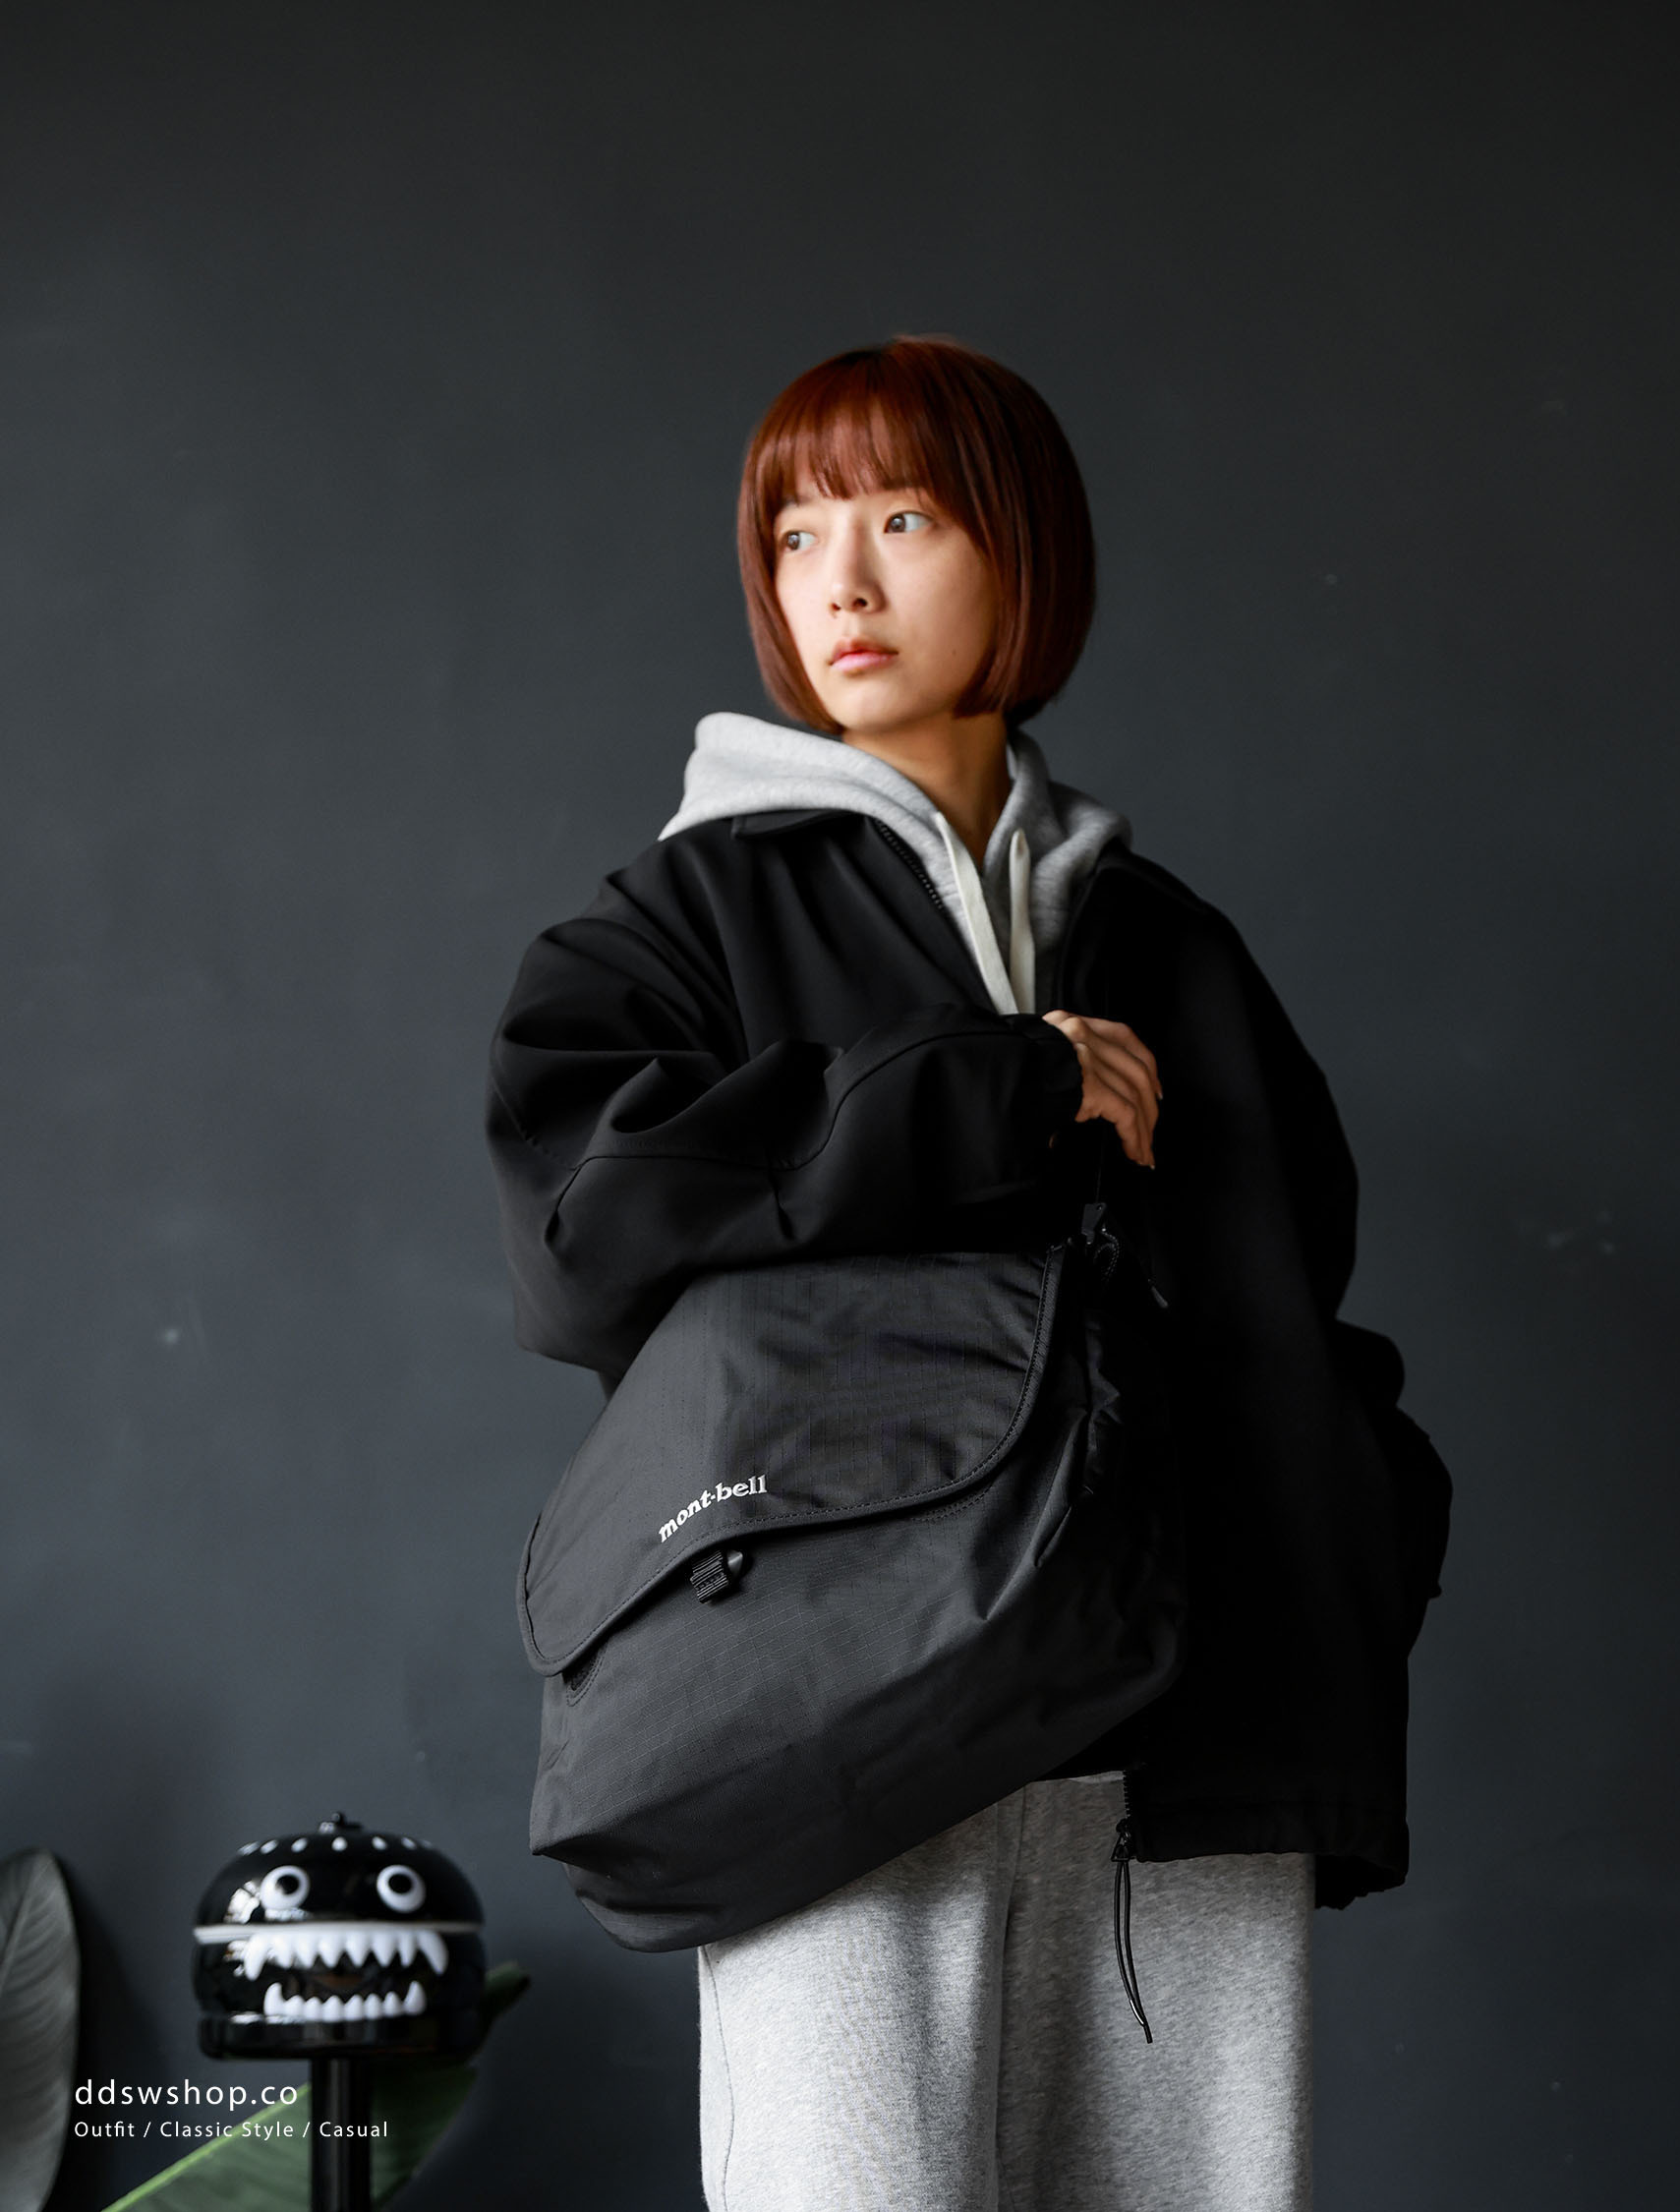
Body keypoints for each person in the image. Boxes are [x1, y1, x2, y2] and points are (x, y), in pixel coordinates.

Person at [487, 337, 1450, 2212]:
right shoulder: (681, 921)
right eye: (795, 536)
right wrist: (987, 1086)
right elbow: (579, 1237)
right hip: (845, 1739)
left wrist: (1360, 1524)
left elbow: (1286, 1291)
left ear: (1024, 553)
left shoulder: (1168, 943)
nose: (839, 583)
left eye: (904, 520)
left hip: (1179, 1765)